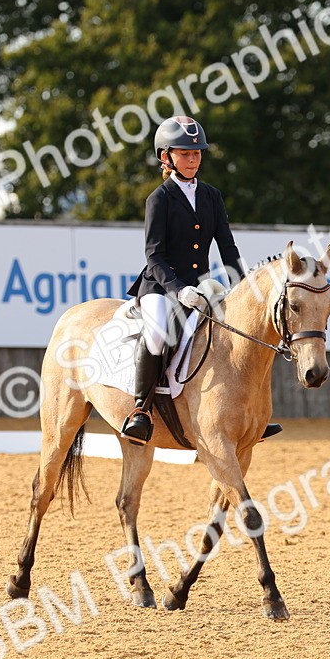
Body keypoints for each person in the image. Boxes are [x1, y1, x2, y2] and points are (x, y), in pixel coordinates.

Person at [121, 115, 282, 445]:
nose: (193, 159)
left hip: (204, 286)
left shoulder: (211, 196)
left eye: (197, 154)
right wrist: (179, 291)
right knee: (157, 334)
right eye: (185, 153)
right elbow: (154, 255)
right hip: (162, 287)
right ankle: (141, 410)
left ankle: (251, 415)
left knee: (238, 335)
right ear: (166, 157)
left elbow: (226, 244)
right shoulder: (159, 199)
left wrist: (243, 285)